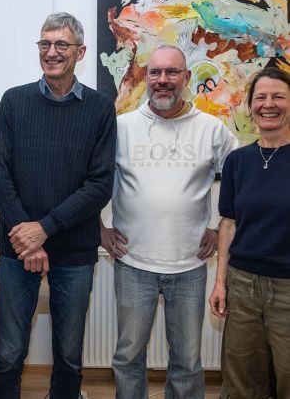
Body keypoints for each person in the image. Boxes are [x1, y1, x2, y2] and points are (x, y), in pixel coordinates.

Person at [0, 12, 116, 399]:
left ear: (80, 52)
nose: (52, 52)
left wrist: (43, 229)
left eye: (61, 44)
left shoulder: (100, 108)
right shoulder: (14, 101)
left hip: (74, 251)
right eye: (45, 44)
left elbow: (100, 186)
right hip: (18, 250)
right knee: (9, 352)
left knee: (69, 355)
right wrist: (28, 239)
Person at [101, 45, 238, 398]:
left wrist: (217, 227)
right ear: (145, 77)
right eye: (155, 72)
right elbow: (91, 179)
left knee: (188, 362)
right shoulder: (121, 127)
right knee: (128, 357)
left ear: (187, 77)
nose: (163, 80)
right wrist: (99, 228)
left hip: (189, 265)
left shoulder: (212, 129)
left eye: (172, 72)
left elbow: (242, 181)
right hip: (133, 262)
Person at [209, 67, 290, 398]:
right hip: (242, 287)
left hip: (287, 288)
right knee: (242, 379)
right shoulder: (238, 161)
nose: (268, 104)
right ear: (251, 106)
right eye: (261, 97)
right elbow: (228, 223)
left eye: (278, 97)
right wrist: (220, 283)